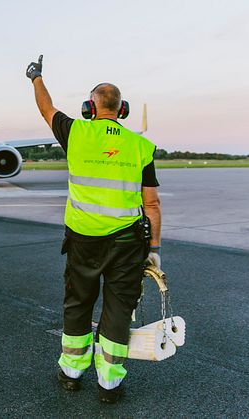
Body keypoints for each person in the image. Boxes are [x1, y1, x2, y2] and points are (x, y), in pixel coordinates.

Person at [26, 55, 162, 403]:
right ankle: (110, 383)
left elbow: (46, 108)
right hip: (128, 243)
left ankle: (71, 373)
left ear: (90, 107)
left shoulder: (76, 132)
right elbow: (152, 204)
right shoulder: (140, 146)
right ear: (123, 109)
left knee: (78, 303)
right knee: (118, 310)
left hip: (83, 239)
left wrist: (36, 77)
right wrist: (155, 249)